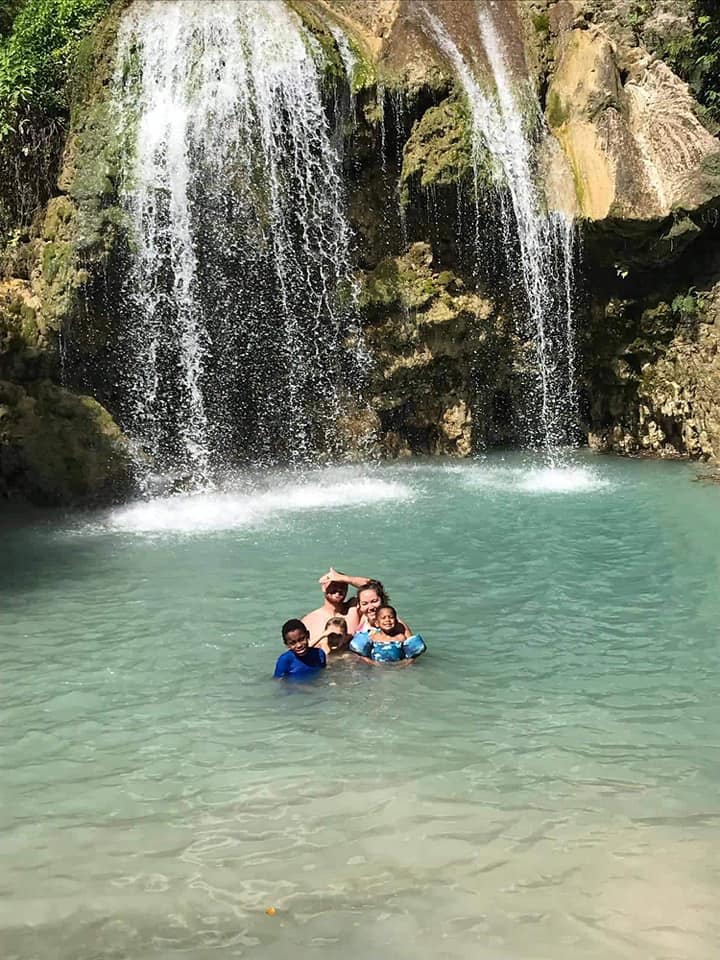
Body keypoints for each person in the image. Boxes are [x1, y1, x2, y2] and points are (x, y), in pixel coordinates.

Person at [302, 568, 370, 642]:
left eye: (343, 585)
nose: (338, 589)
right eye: (334, 585)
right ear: (323, 587)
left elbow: (374, 588)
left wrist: (345, 578)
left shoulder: (353, 608)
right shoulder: (309, 621)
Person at [350, 605, 426, 664]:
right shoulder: (373, 637)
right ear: (376, 623)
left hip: (397, 668)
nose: (387, 620)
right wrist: (372, 663)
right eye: (383, 618)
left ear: (396, 621)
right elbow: (363, 656)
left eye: (391, 617)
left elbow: (410, 657)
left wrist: (403, 664)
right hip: (376, 667)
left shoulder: (401, 638)